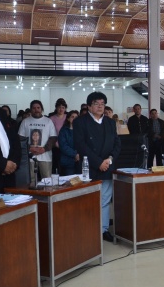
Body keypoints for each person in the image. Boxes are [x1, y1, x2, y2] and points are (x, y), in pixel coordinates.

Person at [73, 92, 121, 242]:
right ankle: (89, 228)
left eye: (102, 104)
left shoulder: (110, 122)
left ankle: (103, 229)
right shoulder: (80, 122)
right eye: (96, 103)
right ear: (89, 106)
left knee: (105, 199)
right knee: (90, 200)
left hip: (107, 166)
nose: (100, 106)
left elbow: (117, 144)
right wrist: (98, 162)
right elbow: (81, 145)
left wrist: (109, 160)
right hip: (90, 167)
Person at [18, 100, 57, 180]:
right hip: (29, 157)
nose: (36, 110)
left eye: (38, 108)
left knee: (47, 180)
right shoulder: (25, 122)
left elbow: (53, 138)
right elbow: (20, 138)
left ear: (41, 109)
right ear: (31, 109)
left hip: (45, 156)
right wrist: (29, 148)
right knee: (30, 181)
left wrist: (44, 149)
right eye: (34, 108)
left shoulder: (48, 121)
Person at [58, 110, 80, 176]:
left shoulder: (82, 130)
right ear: (68, 119)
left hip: (80, 160)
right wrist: (75, 154)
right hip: (68, 161)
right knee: (70, 183)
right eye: (72, 117)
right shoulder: (63, 130)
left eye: (76, 117)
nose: (74, 119)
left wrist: (79, 154)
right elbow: (63, 146)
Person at [50, 98, 68, 173]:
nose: (61, 109)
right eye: (59, 107)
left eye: (63, 107)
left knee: (66, 167)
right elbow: (51, 133)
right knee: (56, 166)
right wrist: (56, 144)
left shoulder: (68, 117)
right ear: (56, 108)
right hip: (56, 146)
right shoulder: (52, 118)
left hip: (67, 145)